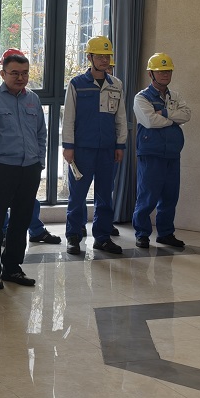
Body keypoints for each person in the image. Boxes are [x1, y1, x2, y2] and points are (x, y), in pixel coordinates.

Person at [0, 49, 44, 288]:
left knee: (21, 220)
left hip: (30, 168)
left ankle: (13, 268)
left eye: (25, 73)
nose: (20, 78)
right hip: (4, 169)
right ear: (3, 74)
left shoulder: (33, 99)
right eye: (15, 73)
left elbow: (41, 134)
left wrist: (39, 162)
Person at [62, 36, 126, 256]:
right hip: (82, 149)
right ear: (89, 57)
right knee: (77, 195)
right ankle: (73, 236)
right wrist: (68, 146)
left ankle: (102, 237)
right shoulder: (77, 84)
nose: (104, 60)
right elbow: (68, 118)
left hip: (108, 149)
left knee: (105, 195)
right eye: (99, 56)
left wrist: (120, 144)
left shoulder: (116, 84)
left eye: (107, 56)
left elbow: (120, 117)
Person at [133, 53, 192, 249]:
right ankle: (142, 234)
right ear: (151, 74)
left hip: (172, 153)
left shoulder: (175, 96)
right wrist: (173, 119)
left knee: (170, 196)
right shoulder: (141, 97)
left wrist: (165, 113)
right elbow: (150, 121)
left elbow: (187, 115)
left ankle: (166, 233)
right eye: (160, 71)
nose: (165, 74)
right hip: (151, 153)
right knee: (147, 196)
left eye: (168, 71)